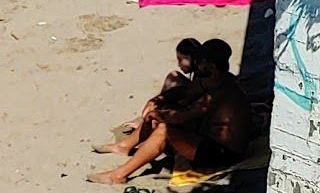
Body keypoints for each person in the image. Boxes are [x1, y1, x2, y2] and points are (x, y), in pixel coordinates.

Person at [88, 39, 253, 183]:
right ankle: (124, 146)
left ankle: (119, 175)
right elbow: (188, 91)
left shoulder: (220, 92)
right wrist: (157, 101)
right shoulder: (220, 78)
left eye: (201, 61)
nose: (198, 65)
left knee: (164, 129)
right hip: (210, 140)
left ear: (211, 65)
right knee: (165, 113)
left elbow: (182, 116)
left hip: (224, 153)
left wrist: (157, 114)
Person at [98, 38, 205, 156]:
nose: (178, 64)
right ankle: (141, 129)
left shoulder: (203, 78)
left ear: (193, 58)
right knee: (173, 77)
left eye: (181, 59)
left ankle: (125, 146)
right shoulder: (201, 74)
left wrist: (161, 109)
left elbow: (191, 103)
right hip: (192, 113)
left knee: (157, 114)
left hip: (195, 126)